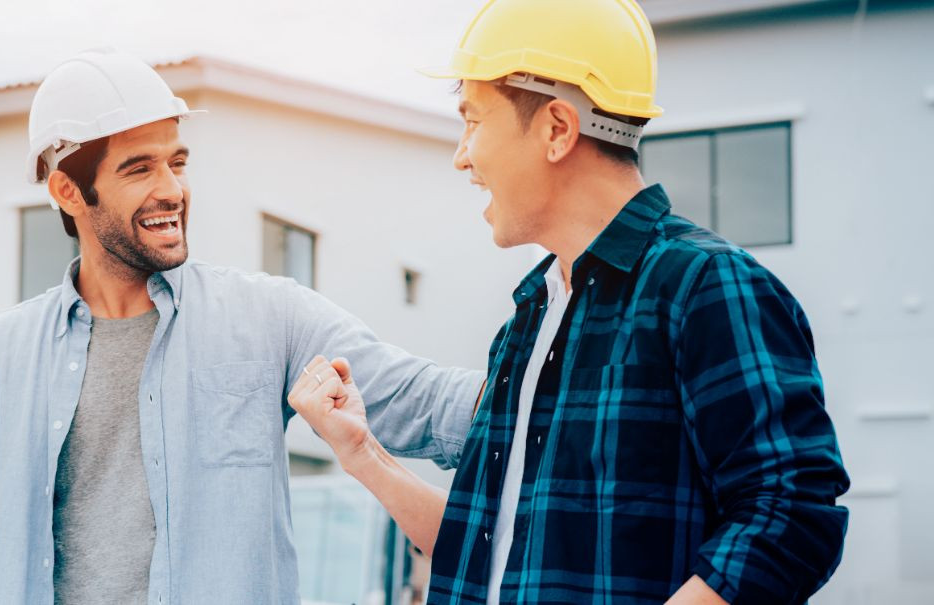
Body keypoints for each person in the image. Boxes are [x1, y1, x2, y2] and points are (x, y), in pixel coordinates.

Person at [0, 49, 484, 604]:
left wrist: (573, 342)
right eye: (139, 168)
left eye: (177, 161)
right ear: (66, 190)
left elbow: (444, 409)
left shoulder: (270, 319)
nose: (171, 188)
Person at [287, 1, 849, 603]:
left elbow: (792, 512)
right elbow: (486, 548)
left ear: (557, 129)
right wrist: (361, 452)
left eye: (472, 121)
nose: (462, 155)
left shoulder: (705, 286)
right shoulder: (528, 321)